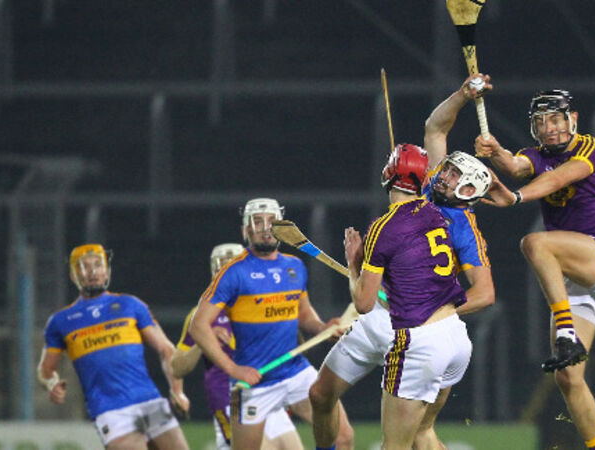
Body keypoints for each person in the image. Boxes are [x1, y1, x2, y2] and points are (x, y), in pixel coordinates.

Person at [309, 75, 496, 450]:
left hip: (416, 329)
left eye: (454, 176)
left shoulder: (462, 225)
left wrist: (431, 305)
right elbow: (435, 128)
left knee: (410, 438)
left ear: (468, 192)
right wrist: (462, 95)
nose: (444, 175)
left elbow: (485, 294)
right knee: (320, 395)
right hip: (384, 320)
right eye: (446, 170)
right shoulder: (426, 191)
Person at [475, 89, 595, 450]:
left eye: (556, 119)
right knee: (568, 378)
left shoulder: (591, 149)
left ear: (573, 119)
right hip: (577, 278)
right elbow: (515, 166)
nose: (549, 128)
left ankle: (566, 331)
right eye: (541, 122)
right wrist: (496, 151)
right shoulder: (536, 155)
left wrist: (516, 197)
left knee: (536, 243)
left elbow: (557, 179)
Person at [188, 198, 355, 450]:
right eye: (258, 221)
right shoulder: (233, 272)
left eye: (272, 221)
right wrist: (233, 369)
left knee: (342, 437)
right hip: (255, 381)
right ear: (245, 230)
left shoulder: (294, 266)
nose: (266, 227)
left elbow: (303, 314)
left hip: (295, 371)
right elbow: (198, 326)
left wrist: (322, 328)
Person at [343, 144, 472, 450]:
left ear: (389, 173)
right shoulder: (434, 212)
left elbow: (363, 304)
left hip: (420, 343)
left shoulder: (382, 228)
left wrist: (353, 264)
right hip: (456, 336)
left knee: (394, 446)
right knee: (422, 433)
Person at [37, 244, 190, 450]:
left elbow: (166, 350)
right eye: (84, 266)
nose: (92, 272)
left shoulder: (131, 305)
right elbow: (45, 369)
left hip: (150, 401)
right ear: (73, 276)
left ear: (107, 271)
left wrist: (177, 391)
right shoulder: (61, 321)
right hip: (111, 412)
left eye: (97, 265)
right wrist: (51, 383)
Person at [171, 242, 304, 450]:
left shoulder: (263, 302)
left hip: (267, 391)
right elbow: (177, 367)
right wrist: (203, 342)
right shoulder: (201, 316)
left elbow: (295, 345)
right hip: (231, 399)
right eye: (223, 266)